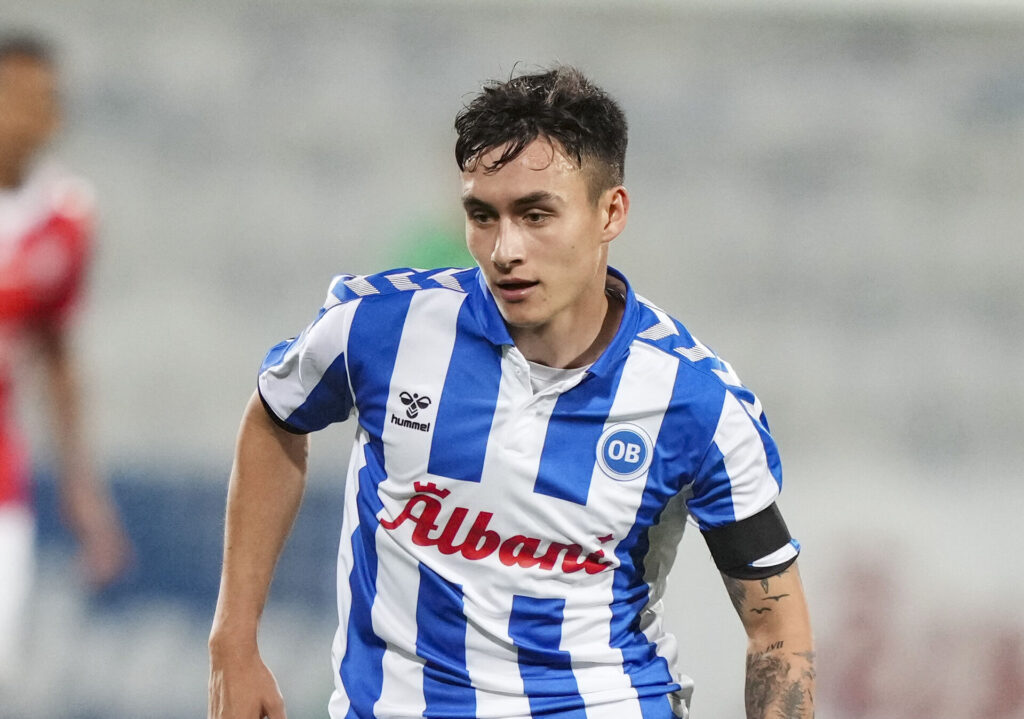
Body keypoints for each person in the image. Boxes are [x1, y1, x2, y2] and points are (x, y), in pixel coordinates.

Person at [209, 65, 814, 719]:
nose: (504, 250)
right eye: (483, 215)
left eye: (535, 214)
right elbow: (275, 417)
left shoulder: (696, 401)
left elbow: (777, 633)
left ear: (610, 211)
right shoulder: (379, 329)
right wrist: (233, 642)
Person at [0, 34, 130, 687]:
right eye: (18, 96)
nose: (35, 114)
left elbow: (54, 352)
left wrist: (82, 487)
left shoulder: (66, 217)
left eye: (46, 98)